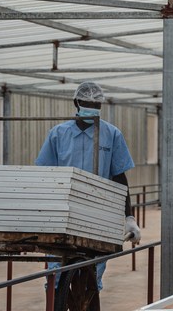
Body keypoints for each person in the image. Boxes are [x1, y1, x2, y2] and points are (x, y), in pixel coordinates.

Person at [36, 81, 140, 291]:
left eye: (97, 104)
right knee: (57, 274)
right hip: (63, 212)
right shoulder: (58, 134)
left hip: (98, 213)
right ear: (76, 102)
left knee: (91, 275)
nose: (92, 106)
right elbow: (44, 174)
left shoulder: (111, 134)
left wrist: (128, 217)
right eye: (87, 102)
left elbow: (119, 177)